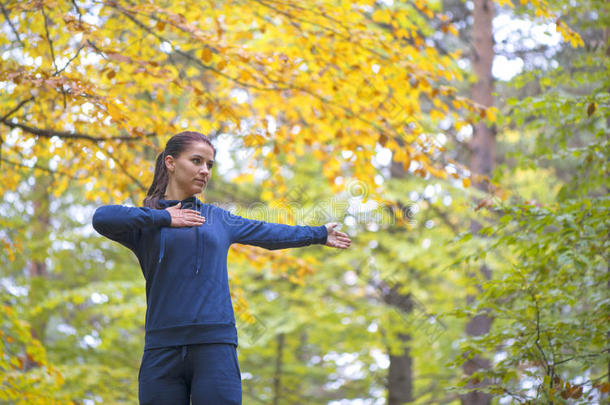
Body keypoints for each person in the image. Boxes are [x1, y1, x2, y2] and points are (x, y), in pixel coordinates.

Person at [91, 131, 351, 404]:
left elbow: (268, 233)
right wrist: (164, 217)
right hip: (161, 349)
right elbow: (102, 217)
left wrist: (319, 234)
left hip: (214, 347)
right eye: (196, 161)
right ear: (170, 162)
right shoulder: (148, 225)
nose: (205, 170)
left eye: (209, 165)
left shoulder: (217, 219)